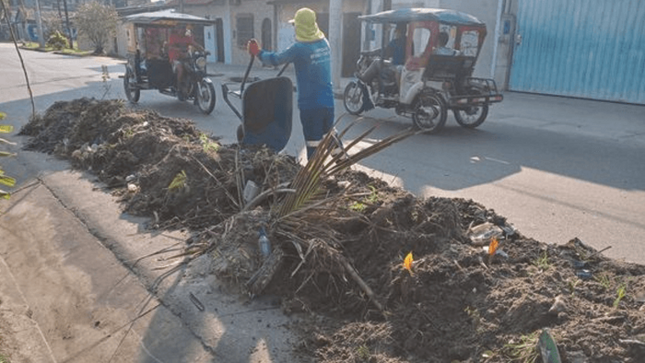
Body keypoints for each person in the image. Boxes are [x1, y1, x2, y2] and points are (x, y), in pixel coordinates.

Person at [247, 8, 335, 160]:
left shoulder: (299, 49)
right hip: (328, 102)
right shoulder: (324, 43)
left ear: (300, 27)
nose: (294, 29)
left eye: (296, 26)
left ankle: (314, 179)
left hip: (311, 106)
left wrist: (258, 52)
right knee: (330, 137)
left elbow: (275, 59)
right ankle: (345, 169)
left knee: (313, 144)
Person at [168, 24, 204, 98]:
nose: (183, 30)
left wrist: (203, 50)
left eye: (184, 28)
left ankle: (192, 85)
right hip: (175, 58)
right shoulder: (173, 37)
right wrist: (178, 50)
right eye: (181, 28)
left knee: (196, 68)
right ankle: (179, 88)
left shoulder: (187, 38)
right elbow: (170, 46)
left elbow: (195, 44)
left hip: (186, 58)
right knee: (180, 69)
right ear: (177, 29)